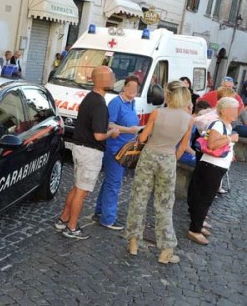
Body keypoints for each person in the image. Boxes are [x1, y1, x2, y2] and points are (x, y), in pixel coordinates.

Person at [125, 80, 194, 264]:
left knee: (139, 198)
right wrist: (171, 159)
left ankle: (133, 242)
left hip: (149, 156)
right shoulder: (189, 119)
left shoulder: (157, 112)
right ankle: (166, 250)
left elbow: (143, 137)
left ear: (168, 95)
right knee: (164, 204)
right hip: (168, 158)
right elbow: (183, 147)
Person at [54, 66, 120, 239]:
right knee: (82, 192)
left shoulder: (90, 99)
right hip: (90, 152)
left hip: (80, 149)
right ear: (100, 80)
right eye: (111, 76)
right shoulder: (99, 104)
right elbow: (98, 135)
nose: (114, 79)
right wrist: (112, 133)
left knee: (77, 188)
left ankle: (63, 219)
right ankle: (72, 227)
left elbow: (92, 126)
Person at [187, 97, 239, 245]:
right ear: (224, 111)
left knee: (205, 198)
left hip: (216, 166)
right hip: (212, 167)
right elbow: (211, 145)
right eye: (233, 109)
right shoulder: (218, 124)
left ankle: (198, 224)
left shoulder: (225, 125)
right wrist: (230, 139)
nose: (236, 112)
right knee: (204, 198)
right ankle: (194, 230)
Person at [93, 76, 141, 230]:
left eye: (135, 88)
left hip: (125, 148)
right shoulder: (116, 103)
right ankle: (108, 219)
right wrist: (129, 130)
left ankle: (101, 211)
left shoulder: (133, 103)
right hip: (115, 149)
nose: (132, 90)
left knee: (110, 181)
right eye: (130, 87)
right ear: (124, 87)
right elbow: (108, 124)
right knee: (114, 183)